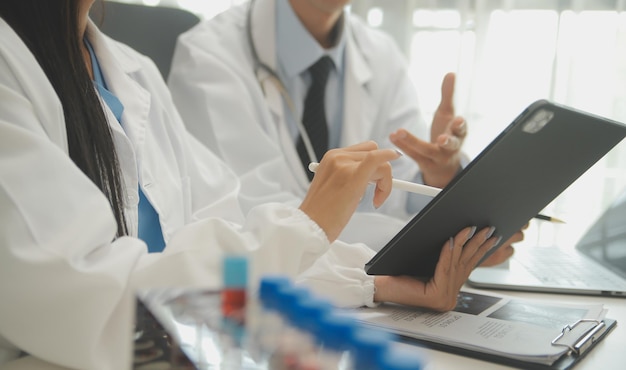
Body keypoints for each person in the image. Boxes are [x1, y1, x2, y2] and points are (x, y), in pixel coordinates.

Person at [0, 1, 501, 369]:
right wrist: (310, 224)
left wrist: (375, 284)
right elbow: (95, 299)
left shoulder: (135, 73)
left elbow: (231, 241)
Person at [167, 0, 524, 260]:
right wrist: (444, 247)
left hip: (360, 297)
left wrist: (439, 178)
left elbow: (394, 190)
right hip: (251, 296)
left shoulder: (380, 55)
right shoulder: (208, 57)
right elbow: (248, 215)